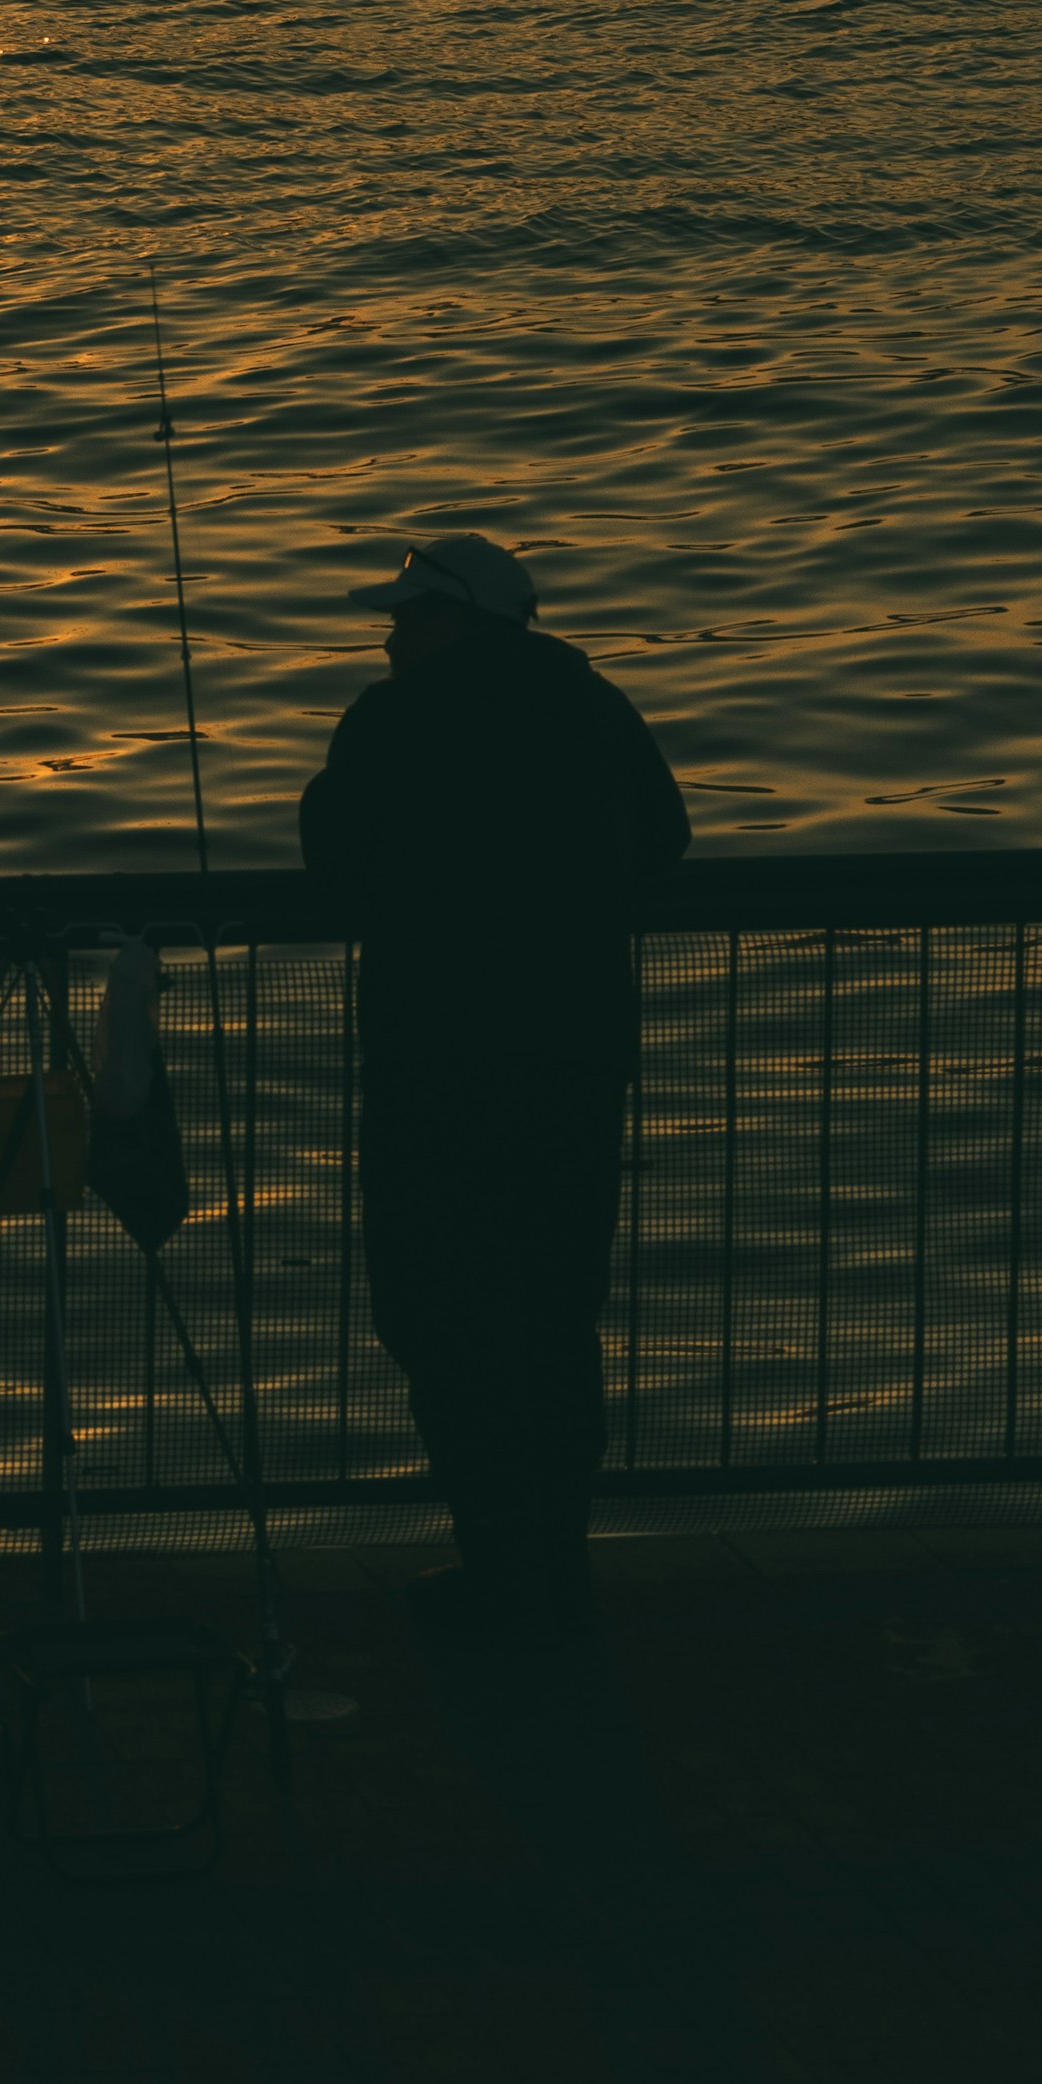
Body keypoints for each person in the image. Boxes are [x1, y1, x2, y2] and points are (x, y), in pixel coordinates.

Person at [298, 534, 687, 1643]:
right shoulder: (591, 703)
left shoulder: (391, 719)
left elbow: (334, 867)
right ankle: (558, 1568)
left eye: (410, 614)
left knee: (441, 1312)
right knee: (557, 1315)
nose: (390, 632)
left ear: (459, 620)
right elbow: (667, 839)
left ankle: (497, 1568)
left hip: (436, 1068)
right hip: (576, 1062)